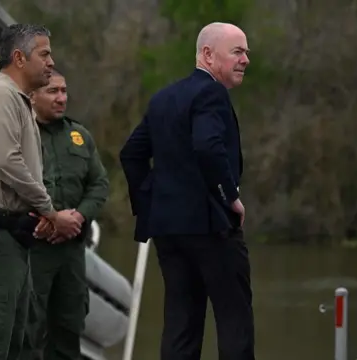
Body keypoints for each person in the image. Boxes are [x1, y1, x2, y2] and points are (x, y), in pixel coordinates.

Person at [119, 22, 254, 360]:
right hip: (211, 226)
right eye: (238, 51)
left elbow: (131, 153)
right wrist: (230, 197)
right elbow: (207, 146)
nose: (246, 60)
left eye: (246, 52)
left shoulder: (163, 98)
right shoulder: (211, 93)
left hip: (169, 231)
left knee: (181, 324)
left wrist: (151, 204)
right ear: (208, 54)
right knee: (234, 320)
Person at [0, 24, 82, 360]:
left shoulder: (19, 100)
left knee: (15, 340)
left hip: (13, 237)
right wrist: (49, 210)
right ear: (19, 58)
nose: (51, 62)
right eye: (44, 54)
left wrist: (37, 213)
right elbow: (8, 162)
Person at [20, 69, 108, 359]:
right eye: (53, 91)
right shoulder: (18, 134)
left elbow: (98, 185)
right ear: (32, 96)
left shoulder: (79, 135)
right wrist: (48, 220)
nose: (61, 98)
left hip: (71, 251)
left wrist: (78, 218)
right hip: (32, 249)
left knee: (69, 328)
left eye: (64, 91)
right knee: (26, 331)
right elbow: (7, 185)